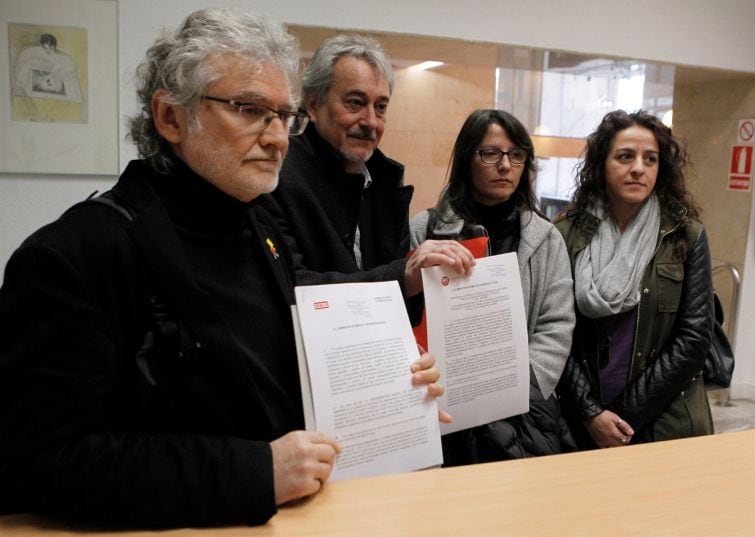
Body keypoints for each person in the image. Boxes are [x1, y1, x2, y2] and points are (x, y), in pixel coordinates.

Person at [0, 8, 447, 528]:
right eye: (248, 109)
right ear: (170, 117)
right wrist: (256, 472)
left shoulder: (259, 226)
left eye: (283, 116)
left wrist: (386, 396)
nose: (278, 137)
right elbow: (45, 466)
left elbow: (281, 362)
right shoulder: (74, 256)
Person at [410, 109, 576, 464]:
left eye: (516, 155)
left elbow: (557, 325)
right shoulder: (424, 229)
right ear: (467, 158)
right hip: (442, 406)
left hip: (520, 410)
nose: (505, 165)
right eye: (491, 153)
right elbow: (406, 316)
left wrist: (511, 385)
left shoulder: (546, 238)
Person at [263, 34, 472, 306]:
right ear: (313, 105)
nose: (371, 122)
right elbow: (292, 287)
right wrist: (402, 276)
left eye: (381, 107)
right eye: (355, 103)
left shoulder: (385, 184)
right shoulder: (275, 176)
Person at [555, 109, 714, 449]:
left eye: (650, 159)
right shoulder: (564, 235)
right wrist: (591, 413)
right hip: (580, 421)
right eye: (625, 157)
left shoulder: (685, 235)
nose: (638, 168)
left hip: (665, 420)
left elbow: (694, 339)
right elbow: (553, 331)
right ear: (601, 165)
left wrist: (622, 417)